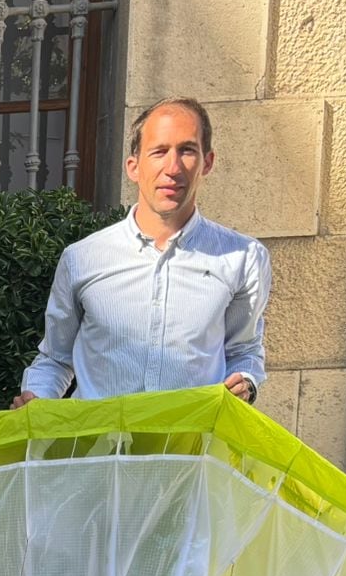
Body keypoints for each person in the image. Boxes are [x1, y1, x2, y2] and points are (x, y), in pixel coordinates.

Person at [14, 98, 269, 409]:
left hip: (189, 450)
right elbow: (56, 358)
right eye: (159, 152)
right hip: (99, 450)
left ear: (207, 162)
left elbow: (243, 351)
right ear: (134, 167)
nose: (172, 168)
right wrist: (37, 399)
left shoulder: (242, 259)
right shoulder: (82, 259)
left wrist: (245, 382)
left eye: (187, 150)